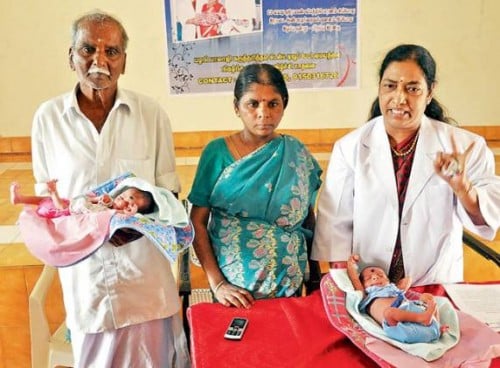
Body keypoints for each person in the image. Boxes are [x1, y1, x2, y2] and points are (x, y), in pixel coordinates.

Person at [30, 11, 189, 367]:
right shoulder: (48, 119)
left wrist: (136, 223)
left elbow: (170, 197)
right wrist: (91, 231)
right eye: (88, 48)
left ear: (124, 61)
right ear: (70, 55)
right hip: (88, 285)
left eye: (111, 51)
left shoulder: (151, 114)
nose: (99, 60)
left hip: (145, 280)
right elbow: (48, 206)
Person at [312, 44, 500, 286]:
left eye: (412, 89)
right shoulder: (350, 147)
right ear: (380, 88)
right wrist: (346, 285)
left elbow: (488, 217)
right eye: (390, 86)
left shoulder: (464, 147)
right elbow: (334, 224)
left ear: (430, 92)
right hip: (366, 282)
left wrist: (462, 187)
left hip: (434, 282)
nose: (399, 98)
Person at [188, 63, 322, 308]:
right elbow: (196, 220)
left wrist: (315, 278)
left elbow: (307, 218)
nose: (264, 113)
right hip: (234, 292)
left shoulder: (297, 153)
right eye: (253, 104)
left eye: (273, 103)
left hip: (289, 286)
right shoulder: (217, 152)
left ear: (284, 105)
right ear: (237, 107)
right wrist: (218, 283)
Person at [347, 254, 444, 344]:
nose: (375, 277)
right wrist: (351, 264)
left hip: (415, 315)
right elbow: (355, 279)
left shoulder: (394, 289)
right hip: (396, 325)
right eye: (368, 278)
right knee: (389, 312)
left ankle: (437, 325)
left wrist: (393, 284)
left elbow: (408, 279)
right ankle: (423, 319)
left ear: (388, 281)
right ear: (363, 286)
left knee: (428, 297)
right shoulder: (366, 295)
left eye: (380, 276)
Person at [10, 180, 155, 217]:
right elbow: (96, 201)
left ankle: (53, 191)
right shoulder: (109, 203)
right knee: (42, 200)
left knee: (59, 205)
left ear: (129, 208)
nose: (122, 197)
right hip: (72, 202)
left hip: (66, 211)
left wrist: (127, 214)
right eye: (122, 195)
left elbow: (115, 213)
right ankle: (20, 199)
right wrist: (99, 198)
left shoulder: (112, 213)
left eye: (128, 200)